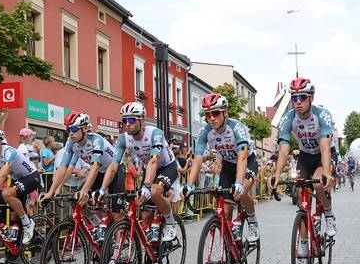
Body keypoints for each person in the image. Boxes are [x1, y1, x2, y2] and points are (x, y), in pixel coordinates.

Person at [267, 77, 335, 264]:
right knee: (301, 199)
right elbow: (283, 149)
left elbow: (324, 147)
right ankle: (304, 250)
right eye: (294, 97)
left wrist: (327, 173)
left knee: (319, 184)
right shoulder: (288, 118)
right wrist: (277, 175)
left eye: (302, 97)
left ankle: (329, 215)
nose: (297, 101)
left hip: (323, 155)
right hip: (305, 157)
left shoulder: (322, 115)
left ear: (311, 97)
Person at [40, 111, 125, 250]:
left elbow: (95, 166)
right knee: (77, 199)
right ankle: (98, 227)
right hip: (97, 173)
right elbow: (63, 168)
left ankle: (118, 247)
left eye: (73, 129)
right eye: (68, 129)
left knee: (116, 213)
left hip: (114, 171)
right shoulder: (71, 143)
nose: (70, 133)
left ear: (85, 128)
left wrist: (85, 190)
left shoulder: (96, 140)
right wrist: (51, 191)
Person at [99, 102, 178, 250]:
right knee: (145, 215)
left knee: (154, 191)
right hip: (150, 170)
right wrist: (103, 189)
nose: (127, 124)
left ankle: (171, 222)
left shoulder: (155, 133)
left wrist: (147, 186)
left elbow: (154, 160)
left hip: (167, 167)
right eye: (124, 120)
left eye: (131, 120)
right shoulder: (123, 139)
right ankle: (149, 251)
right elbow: (114, 165)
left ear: (142, 120)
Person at [183, 93, 260, 244]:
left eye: (216, 113)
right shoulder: (204, 132)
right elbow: (197, 160)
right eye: (208, 114)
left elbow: (243, 157)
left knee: (241, 191)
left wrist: (238, 181)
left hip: (247, 161)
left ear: (225, 112)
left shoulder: (237, 127)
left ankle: (252, 219)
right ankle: (231, 239)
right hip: (228, 165)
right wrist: (189, 184)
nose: (212, 117)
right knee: (226, 207)